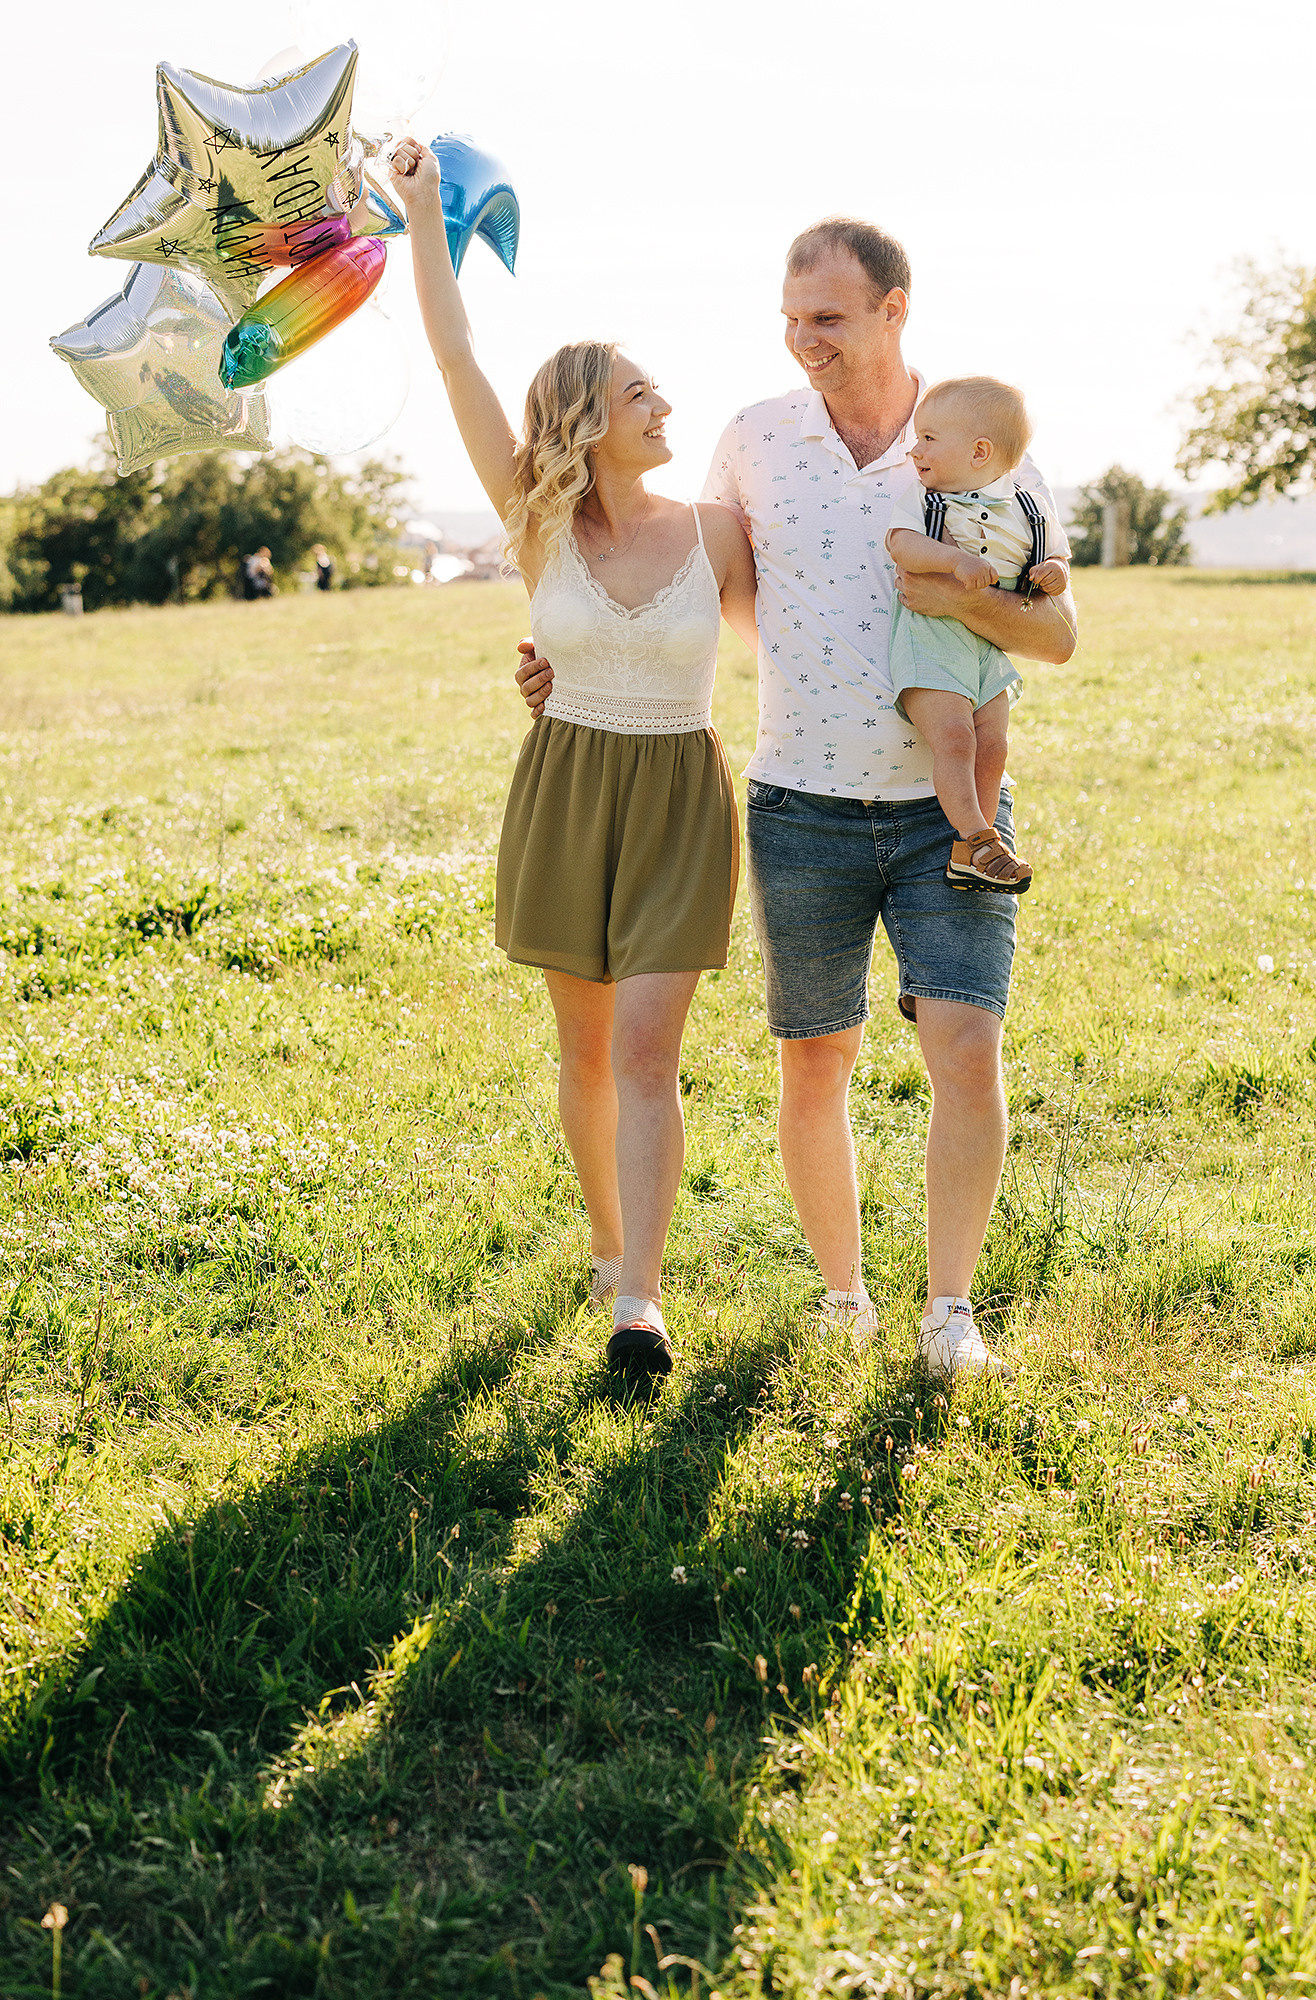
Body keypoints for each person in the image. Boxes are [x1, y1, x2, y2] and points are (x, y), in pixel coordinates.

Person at [519, 218, 1077, 1382]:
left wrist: (949, 593)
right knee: (814, 1062)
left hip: (952, 811)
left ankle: (950, 1313)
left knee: (967, 1051)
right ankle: (844, 1294)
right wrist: (563, 661)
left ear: (894, 309)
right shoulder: (753, 440)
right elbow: (678, 575)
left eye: (827, 317)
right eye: (791, 317)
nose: (802, 338)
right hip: (798, 805)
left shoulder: (980, 444)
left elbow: (1057, 631)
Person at [388, 136, 758, 1380]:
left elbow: (813, 627)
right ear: (590, 416)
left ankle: (639, 1303)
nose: (668, 406)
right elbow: (456, 357)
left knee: (651, 1049)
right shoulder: (536, 519)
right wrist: (431, 212)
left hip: (679, 796)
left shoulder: (719, 526)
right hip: (570, 786)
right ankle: (609, 1241)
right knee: (588, 1051)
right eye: (644, 392)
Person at [886, 376, 1070, 895]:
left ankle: (976, 850)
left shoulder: (1029, 508)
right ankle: (976, 836)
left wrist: (1055, 569)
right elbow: (901, 546)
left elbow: (1055, 554)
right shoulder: (925, 502)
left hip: (987, 649)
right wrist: (953, 559)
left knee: (994, 745)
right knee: (955, 738)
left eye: (927, 439)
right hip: (932, 642)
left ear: (980, 451)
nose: (914, 449)